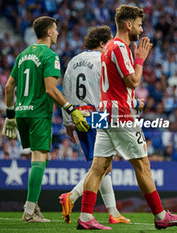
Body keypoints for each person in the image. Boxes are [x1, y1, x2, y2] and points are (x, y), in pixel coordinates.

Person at [76, 5, 177, 230]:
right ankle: (160, 216)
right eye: (139, 24)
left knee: (98, 167)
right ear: (128, 25)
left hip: (105, 114)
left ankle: (86, 217)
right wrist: (140, 59)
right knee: (143, 165)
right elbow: (133, 82)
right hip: (121, 115)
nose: (141, 28)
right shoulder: (119, 47)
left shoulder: (108, 47)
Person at [2, 16, 89, 223]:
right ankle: (29, 211)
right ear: (49, 32)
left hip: (21, 113)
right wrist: (70, 108)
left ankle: (34, 206)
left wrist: (10, 116)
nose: (58, 33)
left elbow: (8, 87)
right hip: (39, 113)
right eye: (56, 30)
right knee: (39, 159)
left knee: (41, 158)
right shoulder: (50, 56)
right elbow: (51, 90)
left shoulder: (22, 55)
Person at [59, 26, 130, 224]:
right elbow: (110, 91)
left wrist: (68, 121)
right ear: (102, 43)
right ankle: (71, 197)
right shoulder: (103, 60)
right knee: (102, 166)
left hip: (78, 116)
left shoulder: (73, 62)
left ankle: (114, 213)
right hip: (98, 115)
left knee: (100, 165)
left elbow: (66, 91)